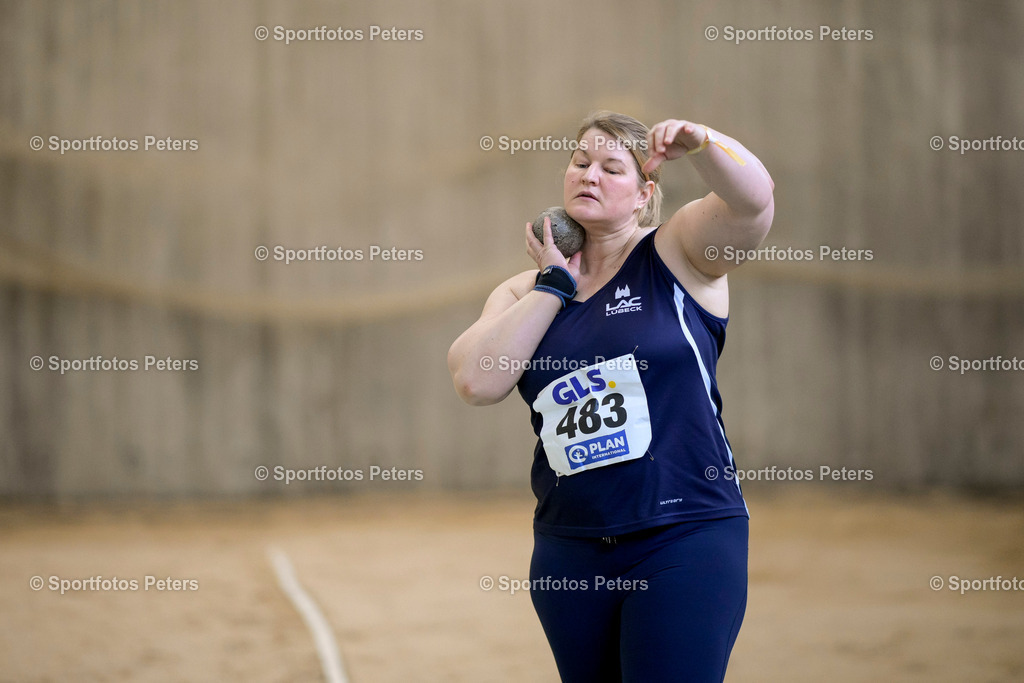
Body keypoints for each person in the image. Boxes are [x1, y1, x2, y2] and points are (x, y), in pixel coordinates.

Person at [447, 111, 774, 682]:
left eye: (611, 167)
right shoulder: (525, 289)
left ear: (645, 193)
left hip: (684, 534)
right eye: (579, 162)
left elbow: (754, 205)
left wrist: (705, 143)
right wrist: (554, 287)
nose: (589, 176)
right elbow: (477, 381)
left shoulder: (680, 252)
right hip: (569, 548)